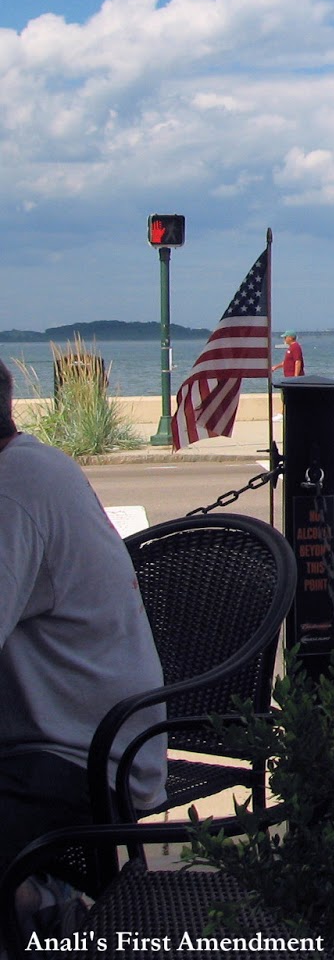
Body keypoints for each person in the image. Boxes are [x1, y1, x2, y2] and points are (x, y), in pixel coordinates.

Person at [0, 359, 166, 939]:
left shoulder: (13, 492)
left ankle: (56, 918)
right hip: (62, 740)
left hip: (90, 756)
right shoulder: (26, 468)